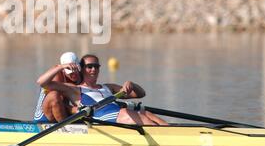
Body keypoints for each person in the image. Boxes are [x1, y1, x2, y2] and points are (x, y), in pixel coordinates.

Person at [36, 54, 168, 126]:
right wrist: (61, 66)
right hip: (105, 116)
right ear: (81, 69)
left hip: (119, 114)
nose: (93, 69)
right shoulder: (75, 89)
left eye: (96, 66)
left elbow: (141, 94)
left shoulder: (108, 87)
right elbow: (42, 82)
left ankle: (171, 132)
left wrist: (131, 84)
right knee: (129, 112)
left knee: (146, 113)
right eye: (89, 66)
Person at [33, 52, 81, 123]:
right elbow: (39, 82)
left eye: (76, 70)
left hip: (64, 113)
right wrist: (72, 109)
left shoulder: (81, 75)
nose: (74, 74)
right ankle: (66, 129)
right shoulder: (57, 76)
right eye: (70, 72)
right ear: (64, 70)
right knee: (54, 95)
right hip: (45, 116)